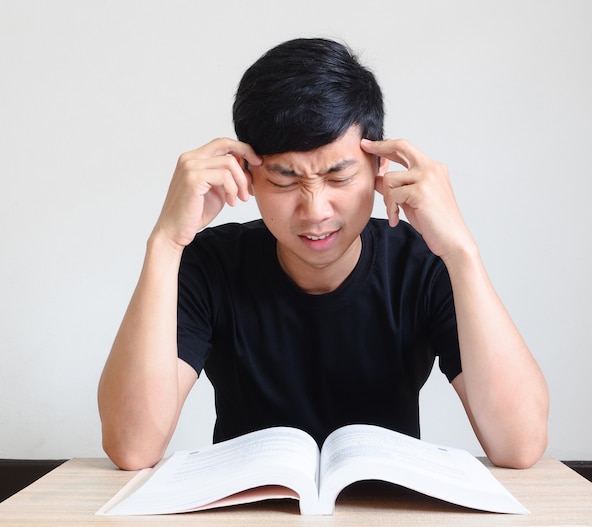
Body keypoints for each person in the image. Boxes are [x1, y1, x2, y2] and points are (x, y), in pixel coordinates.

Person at [98, 38, 549, 472]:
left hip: (384, 511)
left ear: (379, 167)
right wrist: (165, 243)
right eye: (284, 180)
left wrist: (461, 251)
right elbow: (132, 446)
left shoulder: (425, 263)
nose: (314, 211)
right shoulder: (210, 264)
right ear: (247, 176)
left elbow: (519, 444)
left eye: (338, 176)